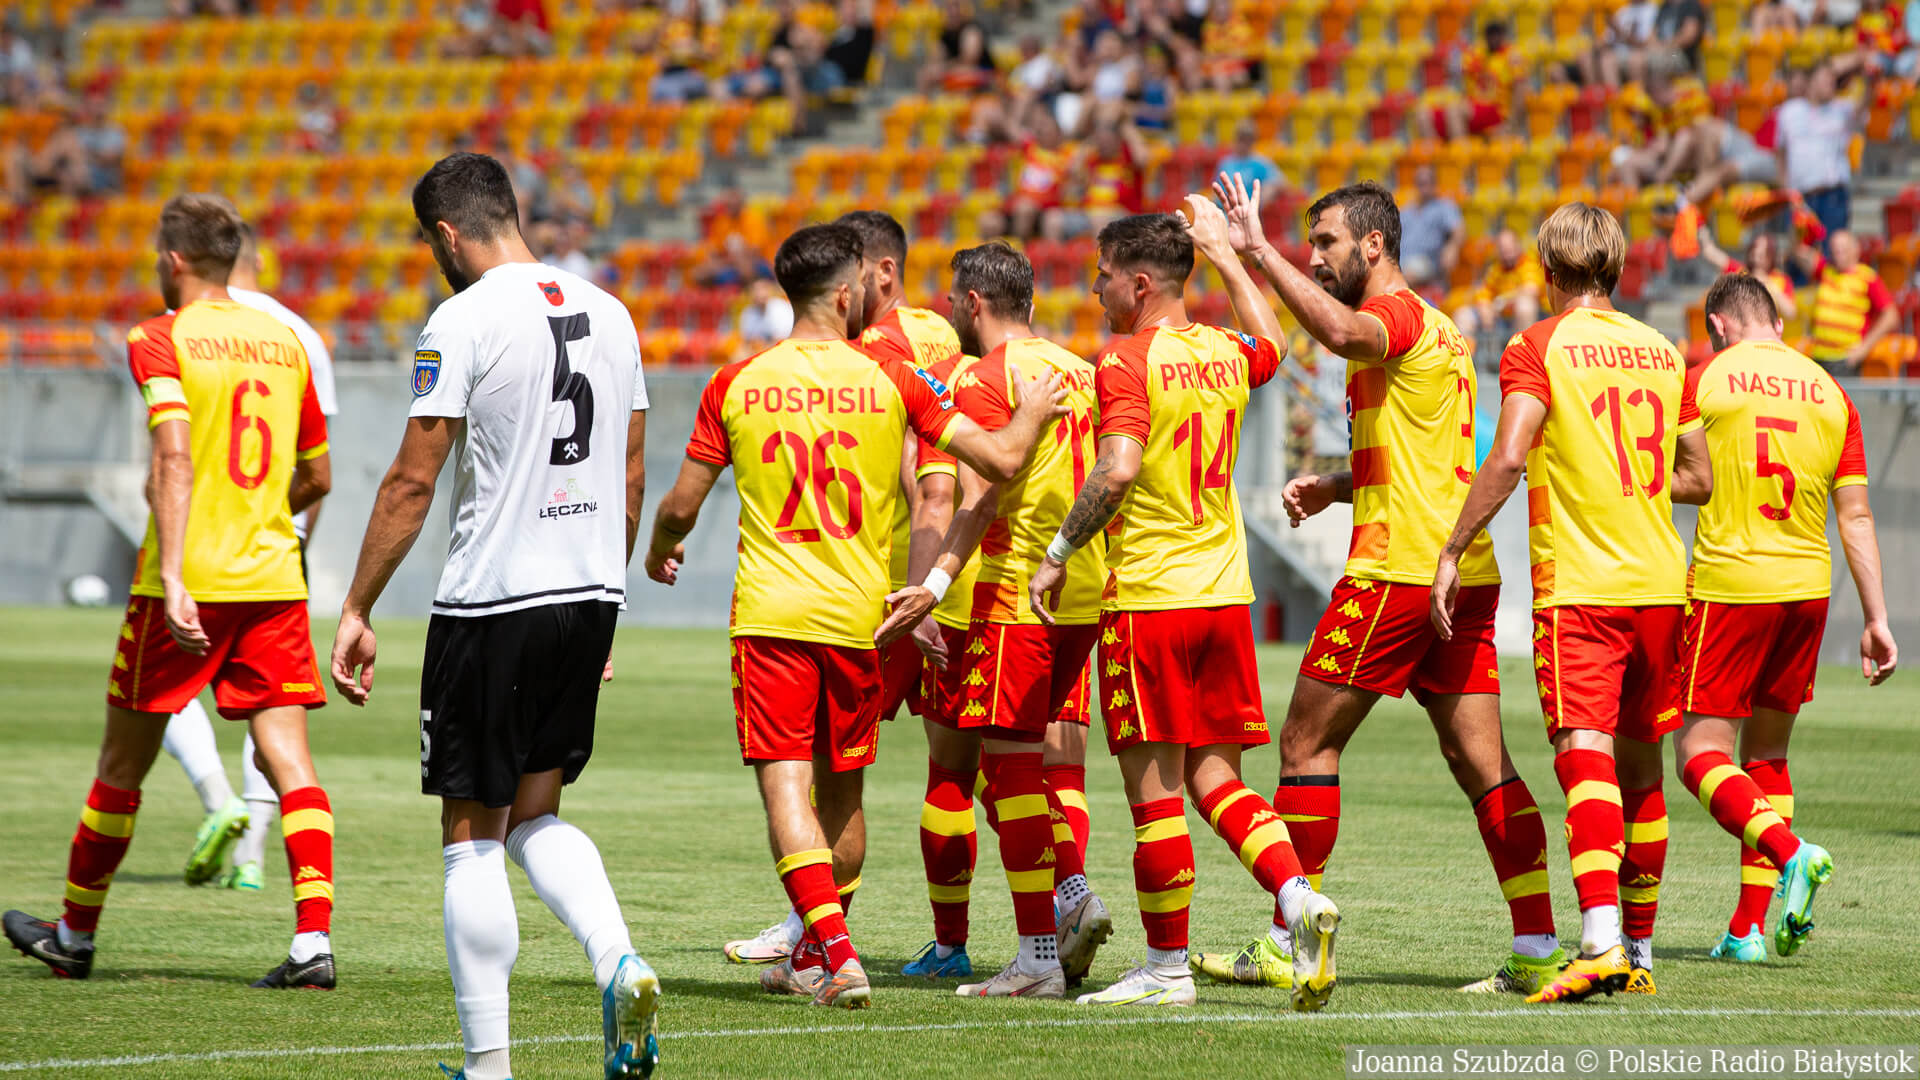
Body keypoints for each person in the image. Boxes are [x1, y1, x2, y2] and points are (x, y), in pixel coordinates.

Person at [644, 222, 1067, 1009]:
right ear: (847, 294)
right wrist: (1035, 411)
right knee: (843, 797)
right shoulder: (896, 379)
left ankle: (836, 956)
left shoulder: (736, 382)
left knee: (786, 788)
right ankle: (816, 954)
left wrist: (661, 548)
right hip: (859, 620)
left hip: (772, 615)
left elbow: (680, 506)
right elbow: (1003, 460)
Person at [327, 152, 660, 1080]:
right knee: (534, 815)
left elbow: (411, 479)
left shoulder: (462, 317)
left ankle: (488, 1067)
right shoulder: (613, 311)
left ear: (447, 234)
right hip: (587, 595)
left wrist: (356, 605)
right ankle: (618, 960)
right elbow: (631, 471)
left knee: (470, 837)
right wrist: (607, 594)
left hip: (493, 602)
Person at [1191, 176, 1566, 996]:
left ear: (1373, 244)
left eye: (1325, 243)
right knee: (1482, 764)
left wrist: (1256, 253)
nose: (1315, 258)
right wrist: (1338, 484)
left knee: (1305, 745)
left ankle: (1289, 938)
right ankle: (1539, 946)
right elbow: (1425, 462)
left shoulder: (1392, 317)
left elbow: (1336, 331)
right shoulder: (1438, 330)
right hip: (1460, 574)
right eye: (1309, 245)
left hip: (1397, 575)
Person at [3, 194, 337, 990]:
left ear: (175, 260)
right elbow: (319, 475)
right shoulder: (287, 342)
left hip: (184, 583)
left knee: (121, 764)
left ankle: (75, 935)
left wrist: (180, 573)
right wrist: (260, 515)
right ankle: (312, 942)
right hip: (273, 578)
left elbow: (174, 458)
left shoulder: (160, 337)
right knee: (291, 763)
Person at [1029, 205, 1344, 1012]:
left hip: (1151, 598)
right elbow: (1274, 343)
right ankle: (1298, 900)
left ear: (1139, 285)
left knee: (1156, 796)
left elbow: (1118, 467)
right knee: (1216, 780)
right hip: (1224, 597)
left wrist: (1058, 552)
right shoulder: (1223, 351)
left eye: (1103, 276)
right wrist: (1229, 256)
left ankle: (1166, 968)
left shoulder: (1125, 359)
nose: (1095, 289)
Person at [1432, 202, 1713, 1004]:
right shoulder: (1663, 350)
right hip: (1661, 582)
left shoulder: (1537, 345)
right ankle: (1639, 953)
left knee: (1582, 751)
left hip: (1584, 586)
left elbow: (1508, 456)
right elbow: (1698, 477)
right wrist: (1631, 482)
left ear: (1548, 271)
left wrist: (1452, 549)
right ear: (1614, 268)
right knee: (1642, 768)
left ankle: (1597, 943)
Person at [717, 209, 964, 967]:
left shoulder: (874, 356)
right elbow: (961, 460)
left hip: (875, 593)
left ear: (877, 274)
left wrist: (918, 586)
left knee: (805, 781)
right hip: (943, 580)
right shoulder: (942, 337)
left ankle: (820, 940)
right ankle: (1020, 926)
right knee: (966, 765)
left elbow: (924, 482)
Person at [876, 242, 1113, 997]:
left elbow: (977, 499)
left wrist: (934, 584)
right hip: (1083, 588)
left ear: (973, 303)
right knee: (1043, 766)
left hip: (1015, 595)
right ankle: (1071, 897)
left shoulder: (983, 377)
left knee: (1006, 773)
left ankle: (1038, 956)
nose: (951, 310)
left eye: (955, 300)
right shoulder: (1081, 369)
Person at [1677, 272, 1897, 965]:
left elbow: (1673, 474)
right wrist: (1877, 618)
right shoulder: (1832, 393)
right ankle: (1745, 931)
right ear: (1776, 321)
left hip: (1731, 586)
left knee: (1699, 755)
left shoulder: (1702, 380)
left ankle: (1791, 852)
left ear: (1718, 325)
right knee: (1767, 757)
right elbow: (1855, 515)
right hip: (1807, 591)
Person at [161, 221, 340, 894]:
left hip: (199, 546)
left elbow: (169, 456)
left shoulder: (176, 329)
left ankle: (216, 797)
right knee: (273, 712)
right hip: (276, 549)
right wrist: (294, 537)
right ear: (255, 259)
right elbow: (318, 466)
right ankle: (253, 855)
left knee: (165, 692)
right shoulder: (300, 337)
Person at [1775, 58, 1865, 243]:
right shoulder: (1789, 111)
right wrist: (1786, 192)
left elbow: (1862, 106)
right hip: (1800, 198)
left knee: (1831, 255)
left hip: (1833, 197)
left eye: (1833, 80)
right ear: (1811, 82)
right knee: (1800, 256)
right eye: (1825, 79)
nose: (1830, 83)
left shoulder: (1842, 109)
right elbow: (1781, 154)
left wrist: (1869, 82)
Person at [1793, 229, 1899, 374]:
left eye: (1843, 249)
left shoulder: (1867, 277)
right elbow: (1799, 252)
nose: (1837, 254)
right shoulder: (1826, 270)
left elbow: (1891, 316)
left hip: (1845, 360)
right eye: (1834, 249)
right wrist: (1801, 225)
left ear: (1856, 249)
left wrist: (1864, 348)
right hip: (1819, 356)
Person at [1455, 228, 1544, 359]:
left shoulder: (1529, 264)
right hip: (1498, 318)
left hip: (1526, 318)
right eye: (1502, 249)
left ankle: (1521, 358)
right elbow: (1483, 293)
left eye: (1509, 248)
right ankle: (1469, 360)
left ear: (1517, 246)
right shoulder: (1495, 269)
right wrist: (1484, 306)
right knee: (1462, 315)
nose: (1506, 253)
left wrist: (1502, 302)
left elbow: (1531, 290)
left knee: (1525, 306)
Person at [1697, 229, 1799, 323]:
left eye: (1762, 255)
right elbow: (1712, 254)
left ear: (1771, 256)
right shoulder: (1741, 272)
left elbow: (1791, 313)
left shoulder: (1781, 280)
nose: (1756, 257)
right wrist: (1702, 234)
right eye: (1754, 251)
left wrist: (1768, 284)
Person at [1399, 165, 1464, 291]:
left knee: (1406, 276)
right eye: (1420, 183)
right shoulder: (1406, 211)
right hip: (1401, 260)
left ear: (1434, 184)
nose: (1423, 188)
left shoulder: (1444, 207)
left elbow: (1459, 230)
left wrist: (1453, 247)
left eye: (1426, 183)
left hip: (1426, 262)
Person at [1213, 120, 1284, 208]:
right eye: (1242, 138)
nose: (1244, 143)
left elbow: (1279, 182)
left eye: (1248, 139)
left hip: (1249, 209)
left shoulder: (1260, 163)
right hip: (1226, 208)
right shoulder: (1226, 163)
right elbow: (1216, 190)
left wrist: (1267, 192)